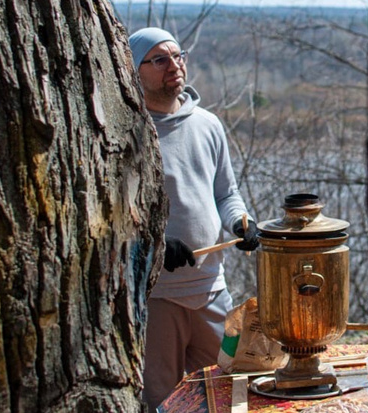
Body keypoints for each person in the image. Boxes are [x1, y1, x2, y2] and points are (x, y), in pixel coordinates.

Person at [128, 27, 259, 411]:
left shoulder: (207, 124)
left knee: (227, 393)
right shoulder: (128, 130)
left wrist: (240, 223)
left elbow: (226, 194)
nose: (174, 65)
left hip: (211, 290)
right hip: (157, 298)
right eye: (160, 59)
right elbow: (116, 214)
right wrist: (155, 241)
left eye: (178, 55)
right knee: (164, 402)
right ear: (135, 71)